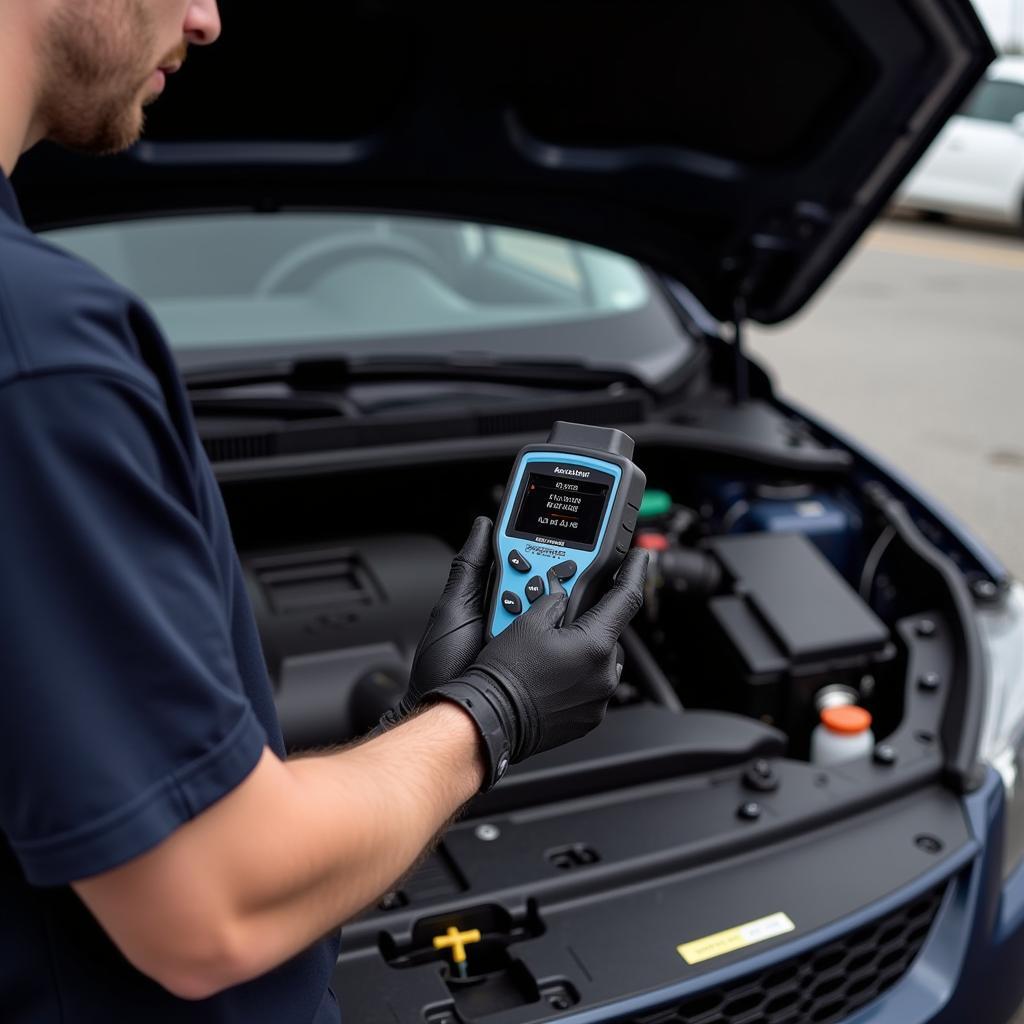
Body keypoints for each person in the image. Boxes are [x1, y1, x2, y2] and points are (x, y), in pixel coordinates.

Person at [0, 2, 649, 1021]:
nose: (207, 19)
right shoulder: (36, 349)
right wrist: (491, 716)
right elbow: (207, 912)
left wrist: (406, 728)